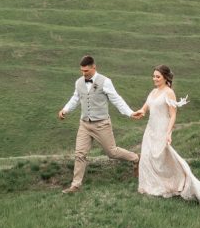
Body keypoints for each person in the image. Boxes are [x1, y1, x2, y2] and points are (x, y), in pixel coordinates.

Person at [133, 64, 200, 205]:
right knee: (147, 157)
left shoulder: (169, 92)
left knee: (163, 158)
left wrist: (169, 133)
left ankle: (181, 182)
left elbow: (173, 115)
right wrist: (137, 112)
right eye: (153, 76)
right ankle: (149, 186)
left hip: (162, 129)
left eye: (158, 76)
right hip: (150, 129)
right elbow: (144, 108)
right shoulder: (153, 92)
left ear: (165, 78)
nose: (154, 79)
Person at [58, 55, 140, 193]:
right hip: (84, 124)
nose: (84, 74)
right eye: (82, 71)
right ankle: (76, 185)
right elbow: (75, 98)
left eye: (86, 71)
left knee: (112, 153)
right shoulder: (78, 82)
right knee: (80, 154)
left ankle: (136, 158)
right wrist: (65, 109)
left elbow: (116, 99)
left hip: (102, 124)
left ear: (94, 67)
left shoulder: (105, 81)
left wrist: (130, 113)